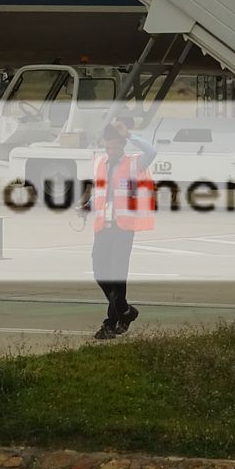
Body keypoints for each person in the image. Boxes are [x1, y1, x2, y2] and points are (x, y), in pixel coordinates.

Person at [86, 114, 158, 340]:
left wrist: (130, 134)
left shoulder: (134, 163)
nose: (110, 152)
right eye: (108, 148)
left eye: (115, 148)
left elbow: (152, 152)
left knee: (117, 275)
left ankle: (110, 323)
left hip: (123, 227)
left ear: (122, 146)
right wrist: (87, 205)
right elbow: (100, 190)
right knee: (99, 271)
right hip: (102, 226)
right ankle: (125, 311)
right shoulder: (99, 162)